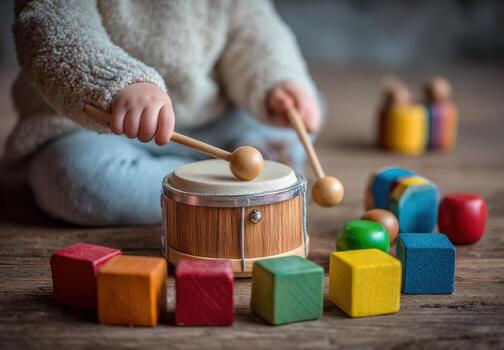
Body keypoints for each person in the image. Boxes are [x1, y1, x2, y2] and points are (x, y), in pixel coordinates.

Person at [2, 0, 321, 225]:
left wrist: (276, 79)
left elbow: (254, 29)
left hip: (208, 119)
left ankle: (230, 171)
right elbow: (53, 27)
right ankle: (245, 183)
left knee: (298, 105)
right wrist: (117, 81)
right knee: (72, 178)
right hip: (97, 127)